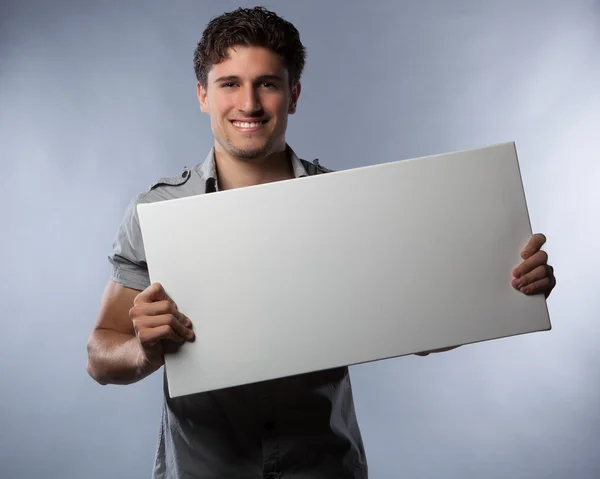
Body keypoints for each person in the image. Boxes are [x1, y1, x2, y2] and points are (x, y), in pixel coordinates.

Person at [85, 6, 557, 479]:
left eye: (267, 84)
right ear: (202, 95)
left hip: (324, 467)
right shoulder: (157, 211)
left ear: (293, 95)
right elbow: (101, 355)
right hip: (203, 469)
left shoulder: (349, 204)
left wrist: (507, 283)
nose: (248, 104)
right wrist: (144, 351)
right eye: (230, 83)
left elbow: (423, 324)